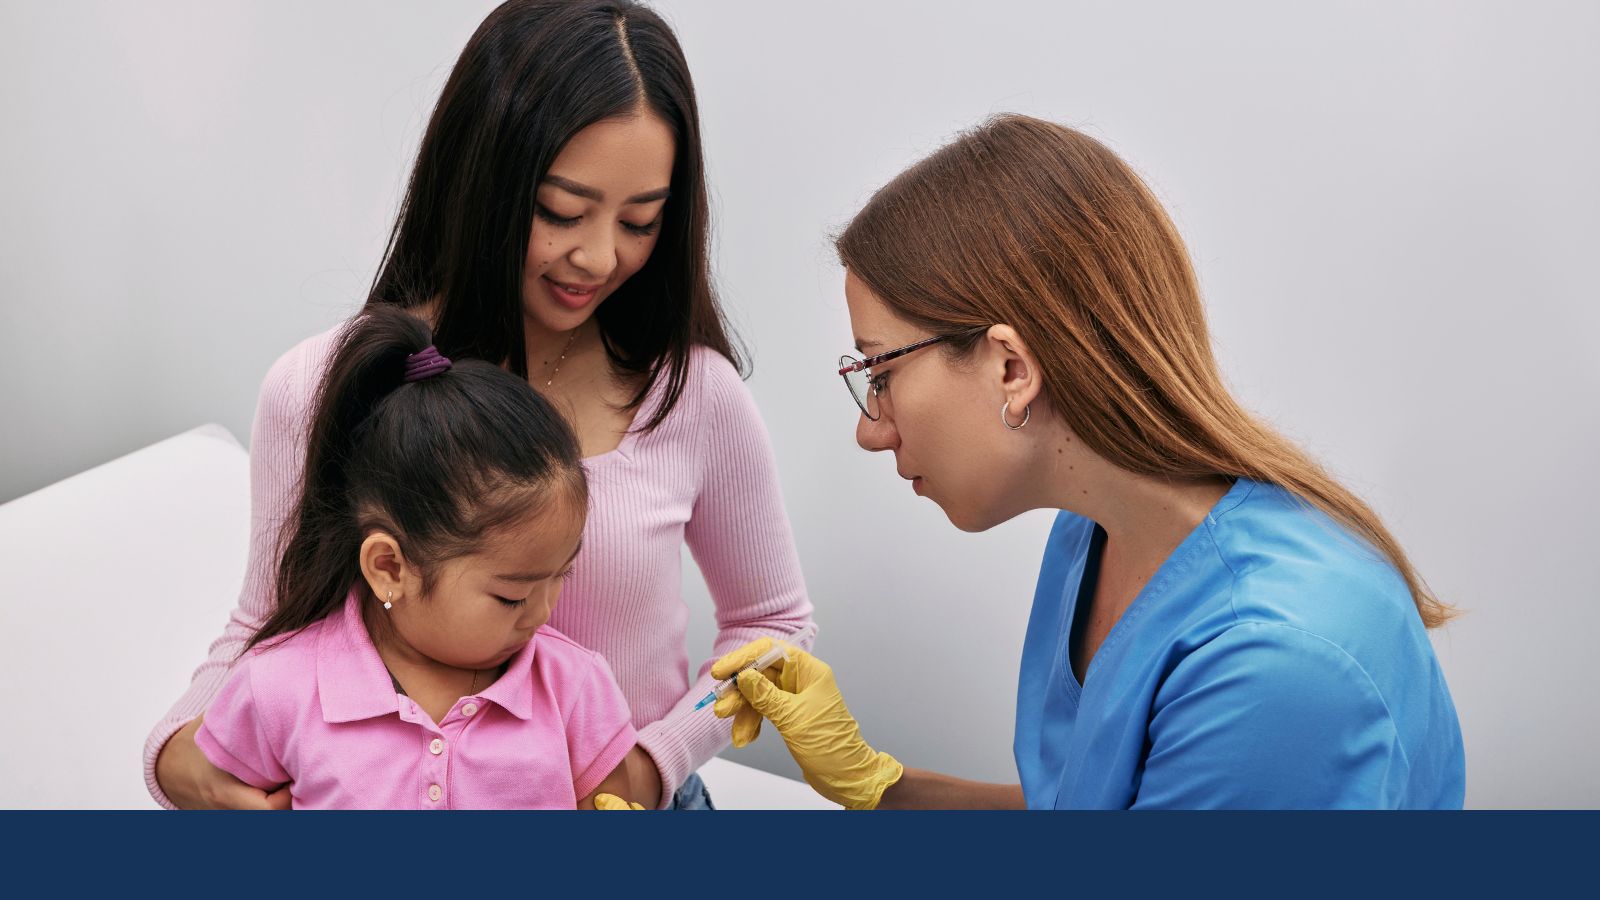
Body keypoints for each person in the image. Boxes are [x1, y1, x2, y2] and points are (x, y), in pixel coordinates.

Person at [148, 0, 812, 811]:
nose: (600, 256)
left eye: (640, 222)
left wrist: (652, 764)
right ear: (483, 184)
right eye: (562, 211)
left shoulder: (692, 395)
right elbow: (266, 621)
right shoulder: (323, 385)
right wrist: (178, 759)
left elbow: (775, 625)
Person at [713, 114, 1466, 809]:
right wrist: (879, 786)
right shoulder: (1095, 535)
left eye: (881, 375)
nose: (871, 432)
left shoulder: (1276, 667)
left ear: (1012, 368)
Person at [196, 308, 641, 809]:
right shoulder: (275, 688)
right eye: (512, 596)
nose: (541, 614)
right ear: (390, 568)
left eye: (562, 575)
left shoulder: (574, 689)